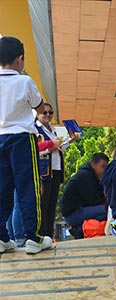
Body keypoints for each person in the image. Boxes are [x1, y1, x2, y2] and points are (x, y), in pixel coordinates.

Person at [0, 36, 53, 254]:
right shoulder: (24, 81)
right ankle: (34, 238)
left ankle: (3, 238)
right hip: (22, 138)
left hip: (0, 137)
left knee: (2, 189)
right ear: (20, 59)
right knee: (28, 188)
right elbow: (40, 108)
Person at [7, 138, 62, 247]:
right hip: (23, 167)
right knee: (19, 203)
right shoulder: (26, 130)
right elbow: (33, 148)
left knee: (12, 204)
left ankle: (10, 237)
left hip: (13, 165)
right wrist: (50, 144)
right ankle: (20, 237)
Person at [35, 103, 66, 238]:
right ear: (37, 114)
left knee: (52, 203)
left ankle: (49, 233)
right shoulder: (35, 129)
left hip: (56, 169)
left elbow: (59, 148)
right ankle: (41, 233)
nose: (48, 115)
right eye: (44, 113)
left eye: (50, 112)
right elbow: (35, 150)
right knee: (43, 204)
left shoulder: (52, 129)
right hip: (44, 172)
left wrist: (70, 141)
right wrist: (50, 147)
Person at [61, 153, 109, 238]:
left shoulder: (91, 175)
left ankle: (80, 229)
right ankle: (80, 230)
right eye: (102, 166)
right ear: (94, 164)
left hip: (79, 210)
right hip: (73, 214)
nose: (105, 170)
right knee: (108, 210)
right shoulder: (85, 176)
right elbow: (93, 200)